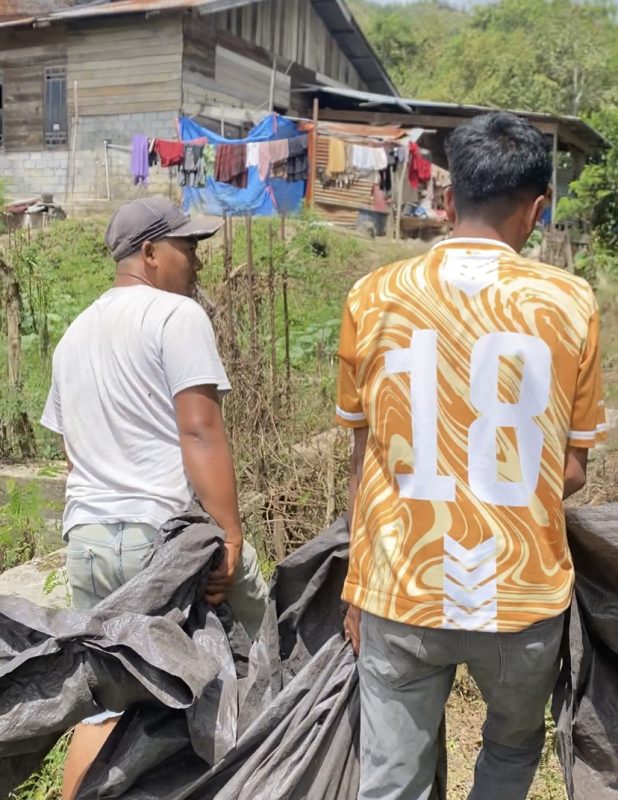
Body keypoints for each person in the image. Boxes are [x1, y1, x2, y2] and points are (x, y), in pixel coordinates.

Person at [336, 112, 607, 800]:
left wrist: (358, 582)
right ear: (538, 208)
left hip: (401, 586)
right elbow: (572, 470)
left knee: (391, 779)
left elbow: (364, 461)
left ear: (449, 198)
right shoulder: (571, 303)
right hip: (522, 596)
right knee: (511, 750)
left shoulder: (374, 295)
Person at [41, 197, 268, 800]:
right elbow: (200, 430)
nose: (197, 260)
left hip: (87, 540)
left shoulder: (73, 335)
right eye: (186, 247)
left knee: (103, 703)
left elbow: (72, 455)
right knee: (243, 667)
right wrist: (230, 535)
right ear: (149, 252)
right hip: (162, 542)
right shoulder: (176, 315)